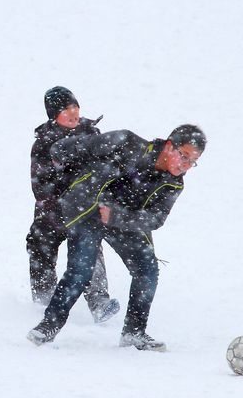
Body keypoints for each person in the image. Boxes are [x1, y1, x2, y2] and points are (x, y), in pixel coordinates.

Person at [26, 124, 206, 351]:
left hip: (121, 220)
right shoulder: (127, 142)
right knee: (80, 270)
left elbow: (155, 219)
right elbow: (77, 148)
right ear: (170, 146)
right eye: (184, 156)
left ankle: (134, 333)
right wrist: (60, 167)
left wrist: (118, 216)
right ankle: (47, 326)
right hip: (87, 212)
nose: (186, 165)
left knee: (147, 269)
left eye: (193, 161)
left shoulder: (173, 184)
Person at [26, 86, 120, 323]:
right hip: (52, 212)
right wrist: (59, 209)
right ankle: (44, 300)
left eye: (74, 106)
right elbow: (40, 186)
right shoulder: (43, 145)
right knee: (39, 244)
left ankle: (99, 303)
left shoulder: (92, 135)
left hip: (85, 208)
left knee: (90, 248)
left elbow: (107, 170)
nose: (73, 112)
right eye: (65, 109)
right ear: (53, 115)